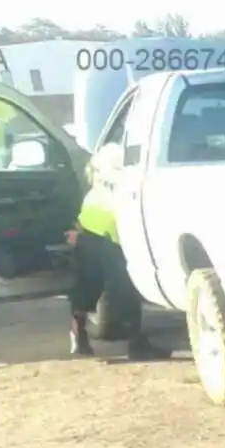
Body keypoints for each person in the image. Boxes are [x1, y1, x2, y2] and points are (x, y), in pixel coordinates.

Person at [66, 143, 159, 359]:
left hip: (90, 227)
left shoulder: (105, 154)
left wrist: (76, 228)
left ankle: (78, 333)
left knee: (88, 285)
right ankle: (136, 344)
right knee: (127, 288)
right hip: (117, 232)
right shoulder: (128, 158)